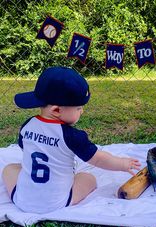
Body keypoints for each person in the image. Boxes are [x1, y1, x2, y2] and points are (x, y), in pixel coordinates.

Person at [2, 66, 141, 214]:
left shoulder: (27, 125)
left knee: (9, 169)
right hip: (58, 203)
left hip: (21, 200)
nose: (82, 111)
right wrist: (122, 163)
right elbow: (99, 159)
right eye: (79, 108)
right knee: (88, 178)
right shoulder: (72, 136)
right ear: (56, 110)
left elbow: (25, 148)